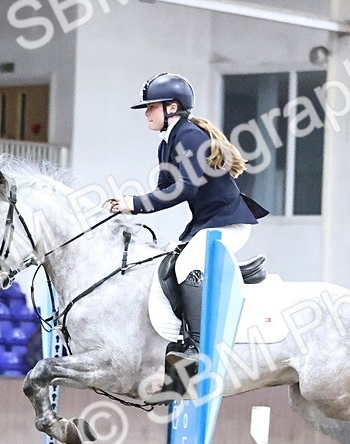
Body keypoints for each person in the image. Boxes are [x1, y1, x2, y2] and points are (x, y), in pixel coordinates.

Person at [108, 72, 266, 374]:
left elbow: (185, 188)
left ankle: (198, 346)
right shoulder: (167, 142)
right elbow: (165, 189)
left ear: (172, 107)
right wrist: (129, 207)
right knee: (168, 262)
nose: (146, 113)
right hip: (207, 224)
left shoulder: (190, 137)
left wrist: (135, 203)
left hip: (228, 223)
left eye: (151, 107)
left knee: (186, 266)